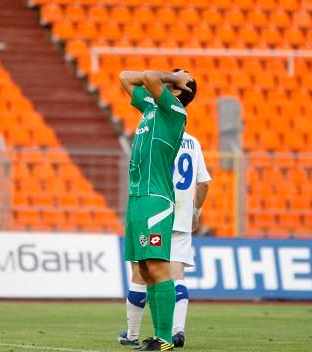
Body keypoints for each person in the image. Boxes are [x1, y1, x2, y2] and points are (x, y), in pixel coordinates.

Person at [119, 69, 197, 351]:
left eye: (179, 75)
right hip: (137, 197)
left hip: (156, 197)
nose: (174, 73)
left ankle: (164, 338)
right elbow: (125, 77)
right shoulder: (151, 108)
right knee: (144, 269)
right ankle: (158, 337)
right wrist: (173, 79)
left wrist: (171, 79)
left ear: (177, 91)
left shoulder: (174, 110)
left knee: (157, 267)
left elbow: (151, 76)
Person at [118, 131, 211, 349]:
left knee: (142, 272)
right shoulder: (193, 141)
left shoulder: (157, 134)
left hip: (156, 209)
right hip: (183, 215)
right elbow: (204, 183)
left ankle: (132, 334)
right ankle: (177, 331)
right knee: (176, 275)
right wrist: (195, 212)